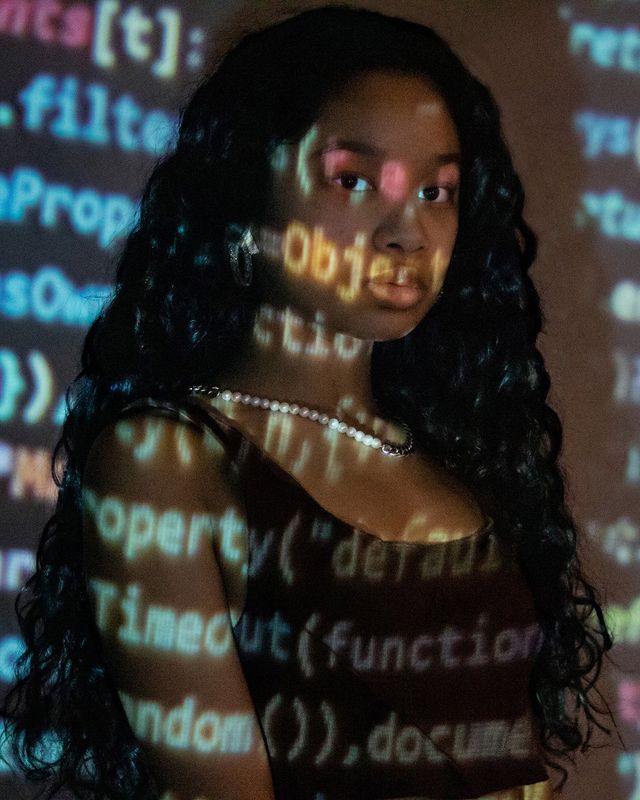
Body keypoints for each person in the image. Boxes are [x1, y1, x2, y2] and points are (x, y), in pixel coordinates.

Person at [2, 6, 613, 800]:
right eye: (352, 181)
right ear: (244, 204)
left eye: (438, 190)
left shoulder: (460, 458)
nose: (408, 232)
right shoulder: (166, 460)